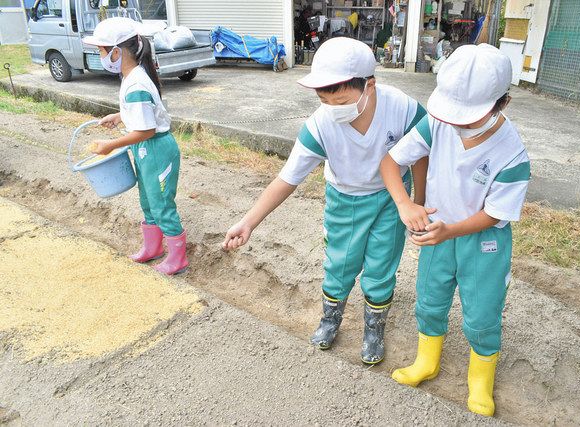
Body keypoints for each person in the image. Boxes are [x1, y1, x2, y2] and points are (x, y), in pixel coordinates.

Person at [223, 37, 428, 365]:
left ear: (369, 86)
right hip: (344, 199)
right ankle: (331, 319)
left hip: (391, 199)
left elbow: (420, 155)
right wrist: (248, 222)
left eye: (342, 99)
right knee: (340, 264)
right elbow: (286, 179)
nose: (332, 108)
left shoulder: (403, 108)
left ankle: (374, 328)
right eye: (323, 99)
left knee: (380, 267)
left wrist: (419, 200)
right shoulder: (320, 126)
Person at [379, 44, 530, 416]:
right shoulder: (438, 122)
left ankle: (480, 381)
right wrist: (406, 203)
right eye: (454, 114)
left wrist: (450, 231)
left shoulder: (512, 154)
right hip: (438, 232)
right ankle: (426, 361)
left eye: (469, 116)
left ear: (503, 103)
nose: (458, 123)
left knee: (481, 313)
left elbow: (495, 215)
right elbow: (391, 160)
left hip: (482, 241)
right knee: (429, 298)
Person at [83, 17, 188, 275]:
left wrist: (111, 145)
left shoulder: (136, 83)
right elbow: (141, 114)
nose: (99, 55)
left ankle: (178, 258)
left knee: (161, 203)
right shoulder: (132, 76)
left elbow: (146, 129)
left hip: (156, 149)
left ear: (117, 52)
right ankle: (153, 248)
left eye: (101, 51)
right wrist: (119, 116)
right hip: (144, 149)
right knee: (148, 200)